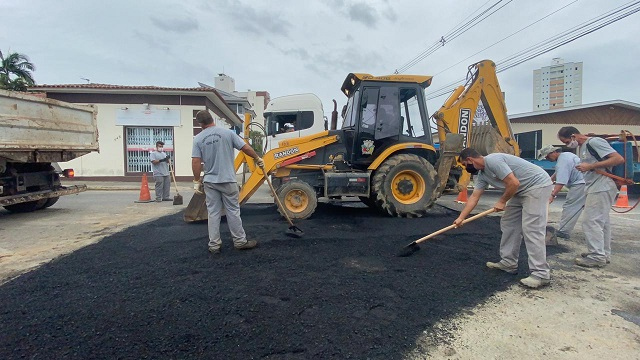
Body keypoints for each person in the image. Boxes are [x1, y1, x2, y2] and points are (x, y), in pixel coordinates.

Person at [454, 148, 553, 289]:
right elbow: (474, 197)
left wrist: (502, 201)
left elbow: (513, 183)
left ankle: (541, 274)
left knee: (532, 228)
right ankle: (508, 263)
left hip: (537, 186)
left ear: (470, 159)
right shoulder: (482, 175)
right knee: (509, 224)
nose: (466, 168)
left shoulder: (493, 161)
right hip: (519, 190)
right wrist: (461, 218)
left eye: (465, 164)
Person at [191, 110, 264, 255]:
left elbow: (196, 161)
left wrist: (196, 180)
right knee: (233, 211)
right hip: (228, 180)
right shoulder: (228, 133)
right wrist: (257, 158)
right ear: (212, 119)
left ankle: (214, 245)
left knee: (213, 213)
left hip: (210, 181)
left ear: (200, 124)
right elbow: (245, 148)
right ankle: (240, 241)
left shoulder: (198, 139)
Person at [557, 127, 624, 267]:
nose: (568, 144)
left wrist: (591, 166)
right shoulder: (583, 146)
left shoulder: (594, 142)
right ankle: (603, 254)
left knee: (591, 221)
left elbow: (618, 159)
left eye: (567, 141)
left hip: (602, 185)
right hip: (595, 186)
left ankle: (597, 256)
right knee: (602, 222)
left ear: (574, 136)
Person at [537, 144, 586, 239]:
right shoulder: (567, 155)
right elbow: (558, 172)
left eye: (547, 156)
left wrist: (552, 195)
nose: (547, 159)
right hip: (585, 181)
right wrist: (549, 180)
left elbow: (561, 182)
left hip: (579, 184)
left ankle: (564, 231)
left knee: (571, 206)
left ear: (554, 152)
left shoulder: (562, 162)